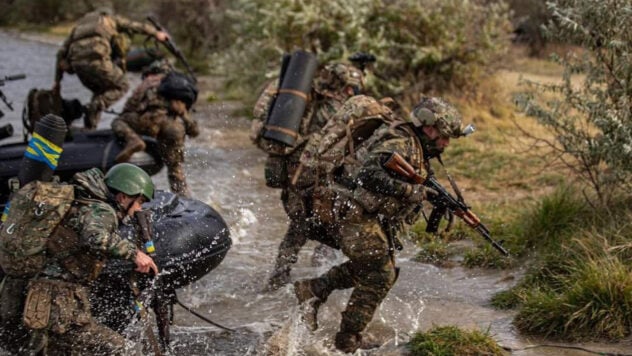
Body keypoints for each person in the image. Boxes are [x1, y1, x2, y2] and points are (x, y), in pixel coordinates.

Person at [293, 96, 467, 353]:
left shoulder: (416, 146)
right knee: (380, 274)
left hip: (362, 212)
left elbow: (416, 180)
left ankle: (314, 288)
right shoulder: (401, 142)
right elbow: (369, 176)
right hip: (352, 213)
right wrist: (414, 193)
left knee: (378, 269)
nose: (446, 142)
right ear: (429, 128)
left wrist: (442, 201)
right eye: (443, 135)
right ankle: (346, 341)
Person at [0, 163, 158, 355]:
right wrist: (135, 254)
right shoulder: (101, 210)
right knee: (122, 349)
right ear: (123, 197)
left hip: (23, 292)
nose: (138, 209)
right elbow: (95, 238)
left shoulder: (76, 200)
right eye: (139, 202)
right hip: (56, 302)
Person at [251, 61, 365, 291]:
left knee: (301, 227)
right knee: (314, 226)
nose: (351, 92)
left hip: (297, 177)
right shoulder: (333, 108)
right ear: (339, 85)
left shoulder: (307, 101)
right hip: (310, 178)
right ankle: (315, 277)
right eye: (348, 87)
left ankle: (280, 278)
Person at [53, 7, 169, 130]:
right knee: (122, 85)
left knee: (100, 92)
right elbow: (135, 26)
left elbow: (61, 52)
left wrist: (57, 81)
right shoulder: (109, 19)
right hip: (98, 61)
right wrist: (156, 33)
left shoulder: (79, 26)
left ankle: (90, 127)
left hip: (78, 66)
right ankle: (94, 108)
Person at [111, 60, 199, 197]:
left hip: (149, 122)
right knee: (176, 170)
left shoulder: (147, 82)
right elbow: (194, 130)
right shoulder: (180, 88)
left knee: (118, 121)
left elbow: (128, 108)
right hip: (174, 127)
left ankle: (133, 141)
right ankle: (185, 200)